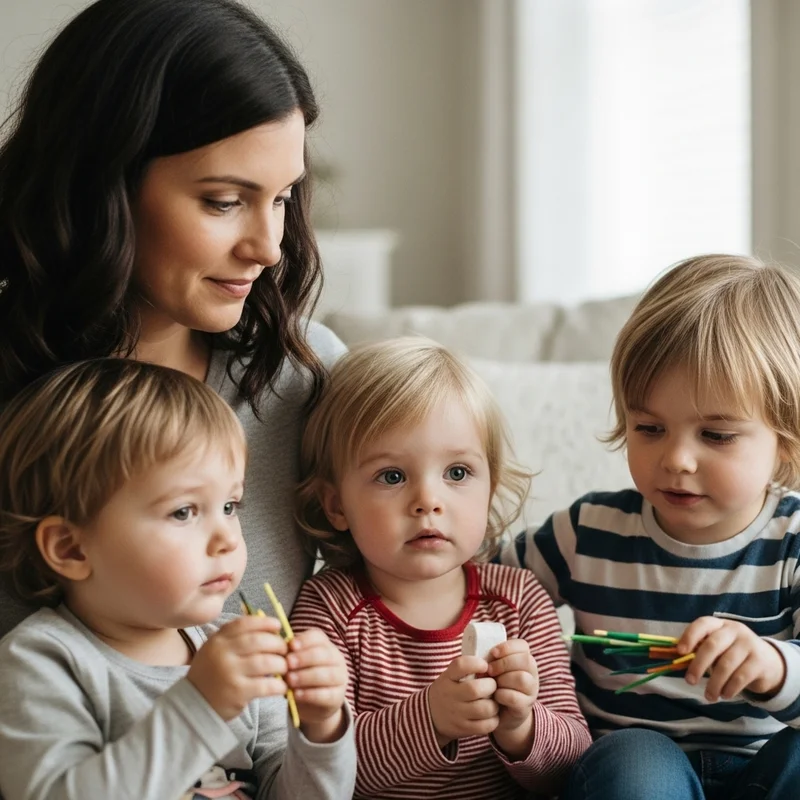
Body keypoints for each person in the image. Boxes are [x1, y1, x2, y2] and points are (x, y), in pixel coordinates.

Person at [0, 0, 346, 637]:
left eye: (283, 197)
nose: (269, 248)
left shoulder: (306, 377)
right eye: (222, 201)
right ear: (100, 185)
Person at [503, 254, 800, 799]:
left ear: (784, 437)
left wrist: (773, 666)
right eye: (650, 427)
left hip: (764, 770)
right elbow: (482, 588)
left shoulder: (793, 544)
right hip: (636, 771)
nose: (677, 459)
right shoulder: (586, 532)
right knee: (635, 756)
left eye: (716, 435)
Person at [0, 358, 356, 800]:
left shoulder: (232, 645)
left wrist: (321, 728)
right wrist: (201, 705)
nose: (227, 537)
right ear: (71, 549)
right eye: (184, 511)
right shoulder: (42, 663)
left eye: (230, 506)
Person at [289, 337, 592, 799]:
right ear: (336, 505)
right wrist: (430, 719)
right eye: (392, 476)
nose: (428, 501)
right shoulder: (328, 609)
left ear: (490, 487)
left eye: (457, 473)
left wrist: (521, 724)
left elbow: (573, 766)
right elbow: (322, 774)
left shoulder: (520, 600)